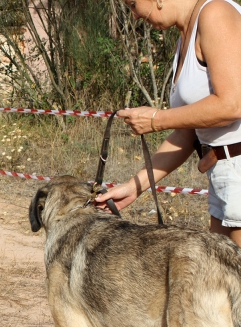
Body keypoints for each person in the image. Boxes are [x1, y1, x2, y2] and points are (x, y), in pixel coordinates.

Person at [96, 0, 241, 247]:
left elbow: (233, 104)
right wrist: (134, 186)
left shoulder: (215, 14)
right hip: (224, 172)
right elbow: (187, 133)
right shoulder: (185, 36)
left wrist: (156, 119)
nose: (135, 17)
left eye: (133, 5)